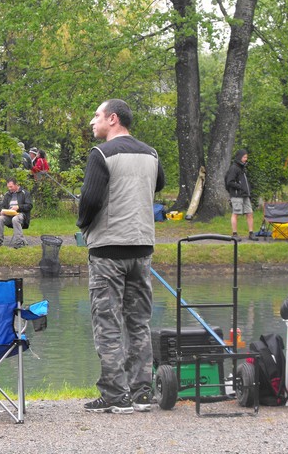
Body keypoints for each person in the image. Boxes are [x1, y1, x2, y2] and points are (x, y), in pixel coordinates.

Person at [77, 99, 165, 414]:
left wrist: (83, 226)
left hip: (107, 250)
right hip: (142, 249)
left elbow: (89, 200)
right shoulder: (151, 154)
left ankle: (116, 394)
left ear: (113, 119)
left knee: (107, 322)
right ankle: (142, 392)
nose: (92, 121)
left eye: (96, 115)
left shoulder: (101, 154)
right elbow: (159, 184)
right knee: (139, 321)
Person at [224, 149, 258, 242]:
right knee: (236, 214)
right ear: (239, 157)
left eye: (246, 157)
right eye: (244, 157)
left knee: (250, 213)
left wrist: (246, 189)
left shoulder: (242, 167)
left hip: (245, 195)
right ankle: (234, 234)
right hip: (236, 195)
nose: (246, 159)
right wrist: (240, 187)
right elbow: (229, 182)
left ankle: (251, 233)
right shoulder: (234, 168)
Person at [0, 178, 32, 249]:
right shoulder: (7, 194)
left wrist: (18, 207)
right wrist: (2, 211)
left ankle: (19, 242)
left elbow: (29, 206)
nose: (9, 188)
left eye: (11, 187)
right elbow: (3, 206)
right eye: (8, 187)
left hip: (21, 215)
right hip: (9, 216)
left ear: (16, 185)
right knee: (0, 218)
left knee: (15, 219)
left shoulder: (25, 193)